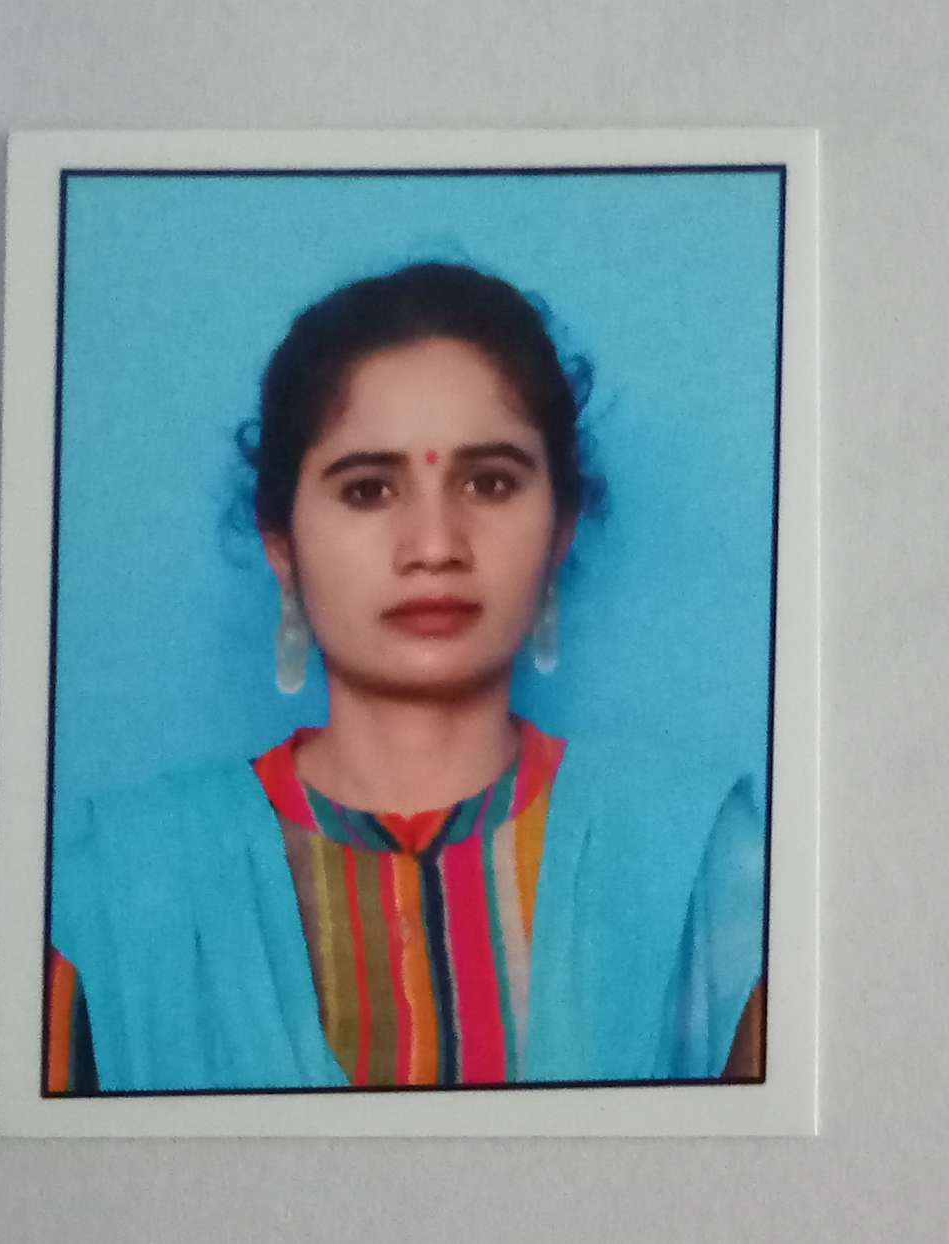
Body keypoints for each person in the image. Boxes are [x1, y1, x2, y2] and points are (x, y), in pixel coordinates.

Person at [46, 262, 765, 1094]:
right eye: (368, 490)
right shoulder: (124, 886)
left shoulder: (694, 859)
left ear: (561, 527)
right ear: (282, 543)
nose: (434, 546)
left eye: (489, 483)